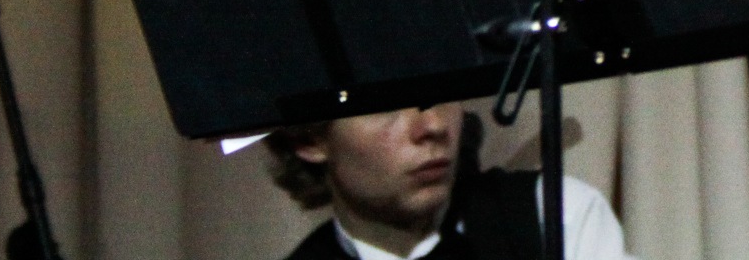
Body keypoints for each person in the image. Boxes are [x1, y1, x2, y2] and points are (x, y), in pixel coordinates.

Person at [266, 105, 635, 260]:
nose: (434, 125)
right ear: (309, 140)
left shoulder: (554, 215)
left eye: (441, 91)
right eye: (387, 104)